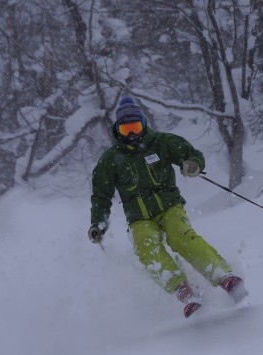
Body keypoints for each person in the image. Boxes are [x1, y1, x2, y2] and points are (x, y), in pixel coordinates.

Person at [88, 96, 247, 318]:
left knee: (180, 235)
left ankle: (223, 276)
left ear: (143, 123)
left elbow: (193, 155)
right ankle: (184, 291)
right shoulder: (110, 159)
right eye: (126, 129)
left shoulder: (161, 143)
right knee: (145, 247)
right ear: (117, 130)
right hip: (139, 217)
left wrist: (192, 165)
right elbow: (101, 196)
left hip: (169, 206)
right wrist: (98, 224)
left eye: (135, 127)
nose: (132, 134)